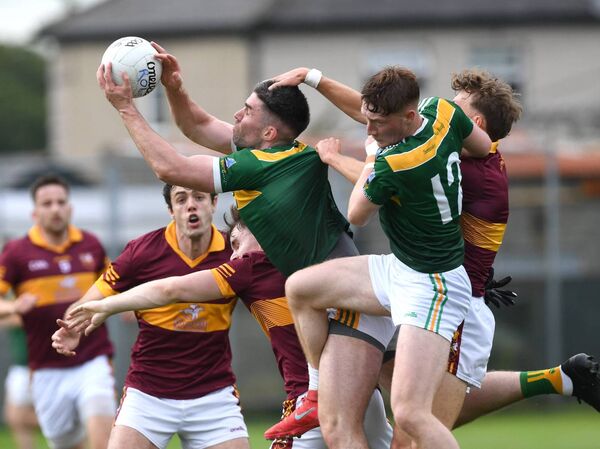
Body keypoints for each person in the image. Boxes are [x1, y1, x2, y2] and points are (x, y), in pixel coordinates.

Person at [267, 66, 600, 443]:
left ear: (472, 120)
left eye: (456, 105)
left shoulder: (436, 162)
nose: (439, 110)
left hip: (452, 300)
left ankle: (556, 380)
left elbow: (373, 187)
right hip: (409, 274)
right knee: (386, 377)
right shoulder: (446, 128)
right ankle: (559, 378)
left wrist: (339, 157)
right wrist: (316, 79)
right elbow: (376, 118)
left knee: (413, 424)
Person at [95, 43, 398, 449]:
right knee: (384, 431)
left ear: (269, 133)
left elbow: (171, 168)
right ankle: (317, 392)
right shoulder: (277, 155)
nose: (238, 114)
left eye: (247, 110)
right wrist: (174, 87)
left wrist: (126, 108)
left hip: (349, 308)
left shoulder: (262, 165)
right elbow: (198, 127)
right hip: (353, 306)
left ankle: (314, 392)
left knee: (348, 425)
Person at [60, 205, 393, 449]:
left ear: (259, 230)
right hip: (365, 392)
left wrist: (105, 306)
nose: (232, 256)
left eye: (236, 243)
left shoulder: (249, 267)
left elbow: (170, 289)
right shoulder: (313, 251)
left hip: (312, 400)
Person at [52, 184, 249, 449]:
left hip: (213, 393)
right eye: (181, 199)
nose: (191, 205)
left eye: (199, 197)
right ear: (171, 210)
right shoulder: (142, 252)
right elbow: (87, 304)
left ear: (214, 204)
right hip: (148, 393)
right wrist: (72, 326)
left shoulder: (234, 251)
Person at [0, 174, 115, 449]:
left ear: (70, 208)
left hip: (92, 358)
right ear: (34, 212)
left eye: (61, 202)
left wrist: (119, 305)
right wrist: (14, 306)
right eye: (47, 203)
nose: (55, 208)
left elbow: (112, 285)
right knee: (64, 442)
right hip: (46, 368)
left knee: (103, 431)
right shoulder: (16, 253)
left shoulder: (92, 245)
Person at [1, 317, 38, 449]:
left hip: (35, 364)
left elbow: (23, 318)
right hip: (21, 365)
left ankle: (72, 424)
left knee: (18, 417)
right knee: (13, 417)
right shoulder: (10, 298)